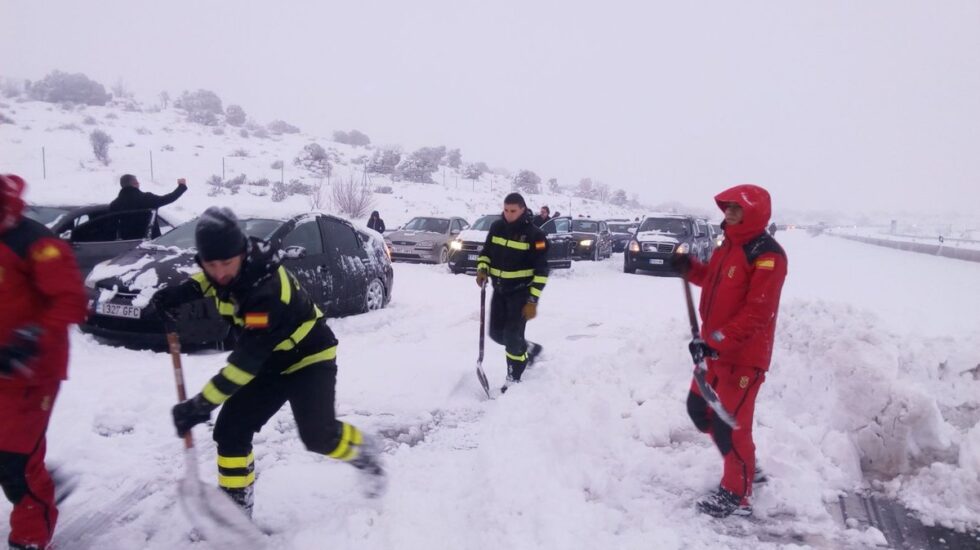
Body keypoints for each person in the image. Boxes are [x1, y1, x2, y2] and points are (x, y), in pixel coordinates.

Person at [151, 207, 386, 516]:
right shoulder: (231, 268)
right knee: (231, 432)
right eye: (211, 264)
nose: (219, 271)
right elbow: (216, 282)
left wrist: (201, 404)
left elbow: (244, 364)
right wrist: (183, 291)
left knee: (319, 436)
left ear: (242, 254)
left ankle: (362, 451)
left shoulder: (266, 291)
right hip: (269, 361)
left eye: (226, 263)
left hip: (308, 358)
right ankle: (235, 508)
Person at [671, 184, 787, 518]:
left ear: (754, 211)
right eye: (727, 208)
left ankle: (737, 493)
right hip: (713, 353)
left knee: (729, 425)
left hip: (743, 358)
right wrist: (689, 268)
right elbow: (713, 280)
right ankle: (744, 462)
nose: (729, 213)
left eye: (736, 208)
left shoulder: (767, 254)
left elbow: (758, 311)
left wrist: (716, 340)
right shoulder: (728, 245)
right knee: (699, 410)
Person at [0, 174, 87, 550]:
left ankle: (30, 538)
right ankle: (43, 481)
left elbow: (71, 299)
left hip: (31, 372)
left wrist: (29, 338)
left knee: (15, 463)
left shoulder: (38, 244)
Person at [475, 193, 549, 393]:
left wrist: (533, 300)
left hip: (521, 293)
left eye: (513, 211)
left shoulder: (535, 236)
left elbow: (542, 271)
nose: (508, 215)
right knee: (496, 334)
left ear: (523, 209)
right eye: (506, 210)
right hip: (499, 290)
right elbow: (486, 253)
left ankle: (513, 377)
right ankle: (529, 349)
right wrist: (483, 269)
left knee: (511, 335)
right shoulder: (497, 227)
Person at [109, 174, 187, 239]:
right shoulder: (147, 198)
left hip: (127, 248)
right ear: (135, 183)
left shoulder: (114, 205)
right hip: (151, 245)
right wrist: (181, 186)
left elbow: (112, 228)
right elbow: (168, 198)